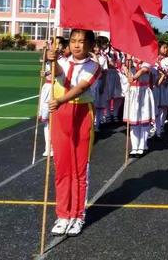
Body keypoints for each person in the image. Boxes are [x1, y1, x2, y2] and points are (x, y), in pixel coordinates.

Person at [47, 29, 100, 237]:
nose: (77, 45)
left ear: (90, 45)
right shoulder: (63, 62)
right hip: (60, 115)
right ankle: (62, 215)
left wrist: (60, 100)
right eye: (74, 41)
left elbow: (80, 87)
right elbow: (58, 71)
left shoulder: (94, 66)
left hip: (81, 114)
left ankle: (77, 215)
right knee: (62, 167)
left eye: (82, 42)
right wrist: (50, 57)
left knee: (79, 169)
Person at [123, 57, 155, 156]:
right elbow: (129, 78)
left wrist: (134, 76)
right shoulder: (129, 62)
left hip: (144, 91)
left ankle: (143, 145)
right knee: (133, 120)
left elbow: (143, 70)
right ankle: (135, 146)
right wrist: (127, 67)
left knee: (144, 120)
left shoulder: (147, 60)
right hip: (133, 92)